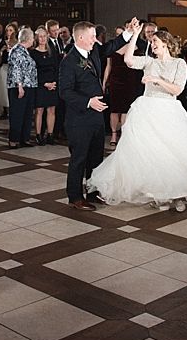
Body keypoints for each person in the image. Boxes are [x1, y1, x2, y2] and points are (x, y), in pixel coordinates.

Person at [87, 24, 187, 212]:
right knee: (151, 154)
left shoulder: (179, 63)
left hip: (168, 111)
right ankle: (159, 194)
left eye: (155, 41)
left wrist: (157, 80)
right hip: (147, 110)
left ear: (165, 43)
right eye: (151, 41)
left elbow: (177, 90)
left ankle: (178, 193)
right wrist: (134, 35)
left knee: (172, 154)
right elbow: (128, 60)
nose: (152, 44)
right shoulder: (149, 62)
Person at [59, 18, 137, 211]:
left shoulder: (93, 50)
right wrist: (88, 102)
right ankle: (75, 197)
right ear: (80, 37)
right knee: (79, 158)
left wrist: (128, 32)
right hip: (79, 118)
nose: (96, 39)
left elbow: (111, 46)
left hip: (96, 116)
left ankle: (93, 193)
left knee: (95, 158)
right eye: (92, 36)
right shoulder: (69, 61)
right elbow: (65, 91)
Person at [104, 24, 139, 147]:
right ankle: (113, 134)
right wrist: (104, 83)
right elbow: (108, 66)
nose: (119, 36)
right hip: (115, 79)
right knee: (114, 109)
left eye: (122, 33)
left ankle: (123, 134)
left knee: (125, 109)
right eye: (117, 34)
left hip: (129, 80)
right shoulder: (112, 48)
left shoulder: (133, 46)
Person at [6, 27, 38, 148]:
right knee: (17, 113)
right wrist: (19, 86)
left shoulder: (25, 50)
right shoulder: (16, 50)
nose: (33, 40)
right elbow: (16, 69)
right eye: (32, 38)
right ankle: (14, 139)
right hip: (19, 87)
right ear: (28, 38)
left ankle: (24, 138)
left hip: (29, 85)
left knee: (27, 114)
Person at [30, 27, 62, 145]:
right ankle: (38, 135)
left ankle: (50, 134)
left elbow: (56, 68)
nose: (43, 38)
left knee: (52, 109)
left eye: (44, 36)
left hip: (52, 84)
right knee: (39, 110)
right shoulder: (33, 53)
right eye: (40, 36)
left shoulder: (52, 51)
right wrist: (44, 83)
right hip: (40, 84)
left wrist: (54, 82)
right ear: (36, 38)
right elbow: (33, 71)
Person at [0, 22, 18, 117]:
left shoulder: (18, 43)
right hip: (4, 68)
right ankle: (6, 111)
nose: (8, 32)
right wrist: (1, 51)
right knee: (3, 90)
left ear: (15, 31)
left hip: (14, 69)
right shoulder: (3, 43)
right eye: (7, 30)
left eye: (10, 30)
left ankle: (13, 110)